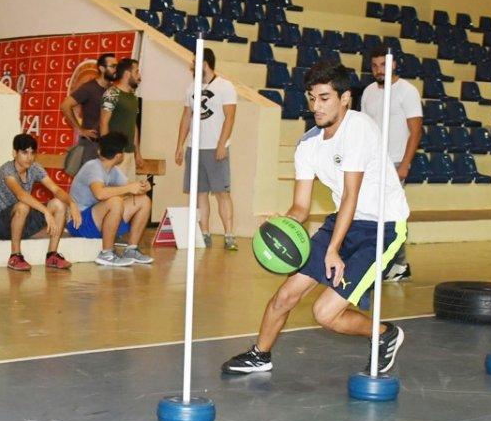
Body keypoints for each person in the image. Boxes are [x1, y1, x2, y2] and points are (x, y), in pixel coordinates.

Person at [222, 61, 409, 376]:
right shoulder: (308, 144)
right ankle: (260, 355)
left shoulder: (359, 128)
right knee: (286, 295)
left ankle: (384, 334)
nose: (316, 106)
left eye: (324, 98)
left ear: (345, 98)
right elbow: (301, 207)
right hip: (343, 222)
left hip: (382, 228)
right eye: (312, 98)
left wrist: (333, 250)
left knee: (324, 314)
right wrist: (282, 223)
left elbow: (351, 194)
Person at [360, 44, 422, 282]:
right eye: (375, 66)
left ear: (394, 64)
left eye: (383, 64)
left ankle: (399, 263)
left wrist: (405, 164)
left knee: (391, 214)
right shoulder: (368, 92)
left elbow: (415, 131)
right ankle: (388, 261)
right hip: (373, 163)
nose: (379, 70)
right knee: (375, 213)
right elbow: (364, 129)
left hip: (396, 162)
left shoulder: (408, 91)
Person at [174, 47, 238, 250]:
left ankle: (229, 235)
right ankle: (204, 233)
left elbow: (230, 117)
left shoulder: (225, 86)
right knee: (199, 192)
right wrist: (180, 145)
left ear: (205, 64)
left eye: (194, 62)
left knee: (222, 193)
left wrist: (221, 144)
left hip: (215, 148)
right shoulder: (190, 87)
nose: (191, 66)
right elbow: (186, 117)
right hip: (195, 148)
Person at [0, 134, 80, 271]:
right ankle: (15, 256)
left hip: (23, 221)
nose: (29, 157)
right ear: (15, 153)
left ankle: (52, 255)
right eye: (24, 152)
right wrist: (46, 212)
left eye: (32, 153)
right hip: (1, 224)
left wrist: (72, 204)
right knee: (23, 205)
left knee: (59, 204)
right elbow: (21, 195)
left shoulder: (35, 168)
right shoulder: (6, 170)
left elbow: (55, 189)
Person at [67, 132, 153, 266]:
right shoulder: (93, 166)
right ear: (119, 156)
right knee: (115, 201)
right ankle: (106, 253)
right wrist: (129, 188)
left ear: (99, 150)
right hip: (79, 222)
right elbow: (100, 194)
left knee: (144, 200)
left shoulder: (113, 170)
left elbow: (130, 186)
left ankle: (131, 249)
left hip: (96, 219)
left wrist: (142, 186)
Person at [59, 53, 116, 171]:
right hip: (91, 145)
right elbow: (65, 105)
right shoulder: (89, 88)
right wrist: (79, 129)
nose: (116, 69)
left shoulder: (112, 90)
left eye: (117, 66)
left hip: (107, 145)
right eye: (113, 66)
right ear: (101, 68)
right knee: (90, 184)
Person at [99, 58, 144, 181]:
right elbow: (103, 123)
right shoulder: (112, 93)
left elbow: (133, 125)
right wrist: (107, 153)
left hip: (129, 153)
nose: (139, 76)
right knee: (115, 195)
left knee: (129, 194)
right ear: (127, 74)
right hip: (116, 155)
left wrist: (137, 152)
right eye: (137, 72)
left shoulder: (133, 97)